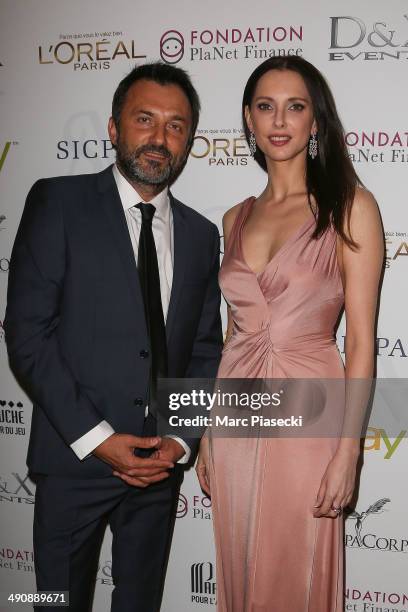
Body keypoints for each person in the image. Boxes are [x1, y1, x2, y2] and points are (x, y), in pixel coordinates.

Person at [4, 61, 222, 612]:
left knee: (140, 602)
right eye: (144, 119)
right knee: (54, 601)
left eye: (176, 125)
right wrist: (99, 439)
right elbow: (29, 335)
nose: (159, 137)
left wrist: (179, 440)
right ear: (113, 128)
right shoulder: (58, 202)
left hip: (158, 469)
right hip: (73, 461)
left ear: (189, 140)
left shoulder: (200, 234)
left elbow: (202, 350)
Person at [196, 56, 384, 612]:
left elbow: (364, 341)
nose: (280, 120)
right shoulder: (235, 216)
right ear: (249, 121)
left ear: (316, 122)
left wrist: (348, 452)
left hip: (308, 412)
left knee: (293, 567)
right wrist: (205, 432)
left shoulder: (351, 207)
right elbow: (233, 331)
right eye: (265, 106)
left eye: (295, 106)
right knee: (240, 562)